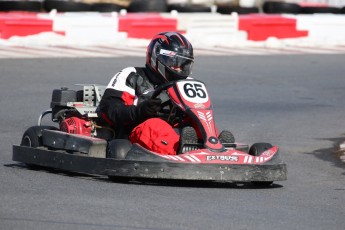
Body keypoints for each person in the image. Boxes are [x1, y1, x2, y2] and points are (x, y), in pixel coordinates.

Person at [97, 32, 195, 155]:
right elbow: (109, 109)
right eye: (175, 63)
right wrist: (140, 111)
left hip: (177, 130)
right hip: (135, 132)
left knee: (197, 126)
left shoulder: (187, 83)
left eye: (183, 65)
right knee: (155, 125)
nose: (179, 69)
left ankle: (212, 147)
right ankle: (182, 151)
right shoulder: (132, 75)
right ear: (157, 58)